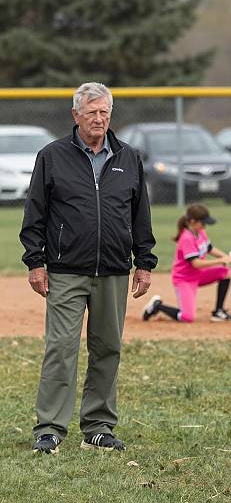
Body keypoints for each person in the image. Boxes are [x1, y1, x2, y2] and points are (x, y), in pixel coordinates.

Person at [20, 82, 158, 454]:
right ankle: (49, 428)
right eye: (92, 112)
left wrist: (144, 262)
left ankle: (98, 426)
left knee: (107, 348)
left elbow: (140, 215)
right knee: (61, 348)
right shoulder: (52, 156)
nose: (99, 119)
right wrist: (36, 261)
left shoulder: (128, 158)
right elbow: (35, 212)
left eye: (104, 113)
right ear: (76, 115)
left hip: (113, 270)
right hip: (66, 270)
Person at [143, 203, 231, 323]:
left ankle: (218, 312)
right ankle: (157, 306)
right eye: (203, 223)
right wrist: (221, 260)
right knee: (187, 317)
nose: (204, 226)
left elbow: (209, 248)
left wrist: (225, 256)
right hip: (184, 279)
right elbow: (195, 263)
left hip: (199, 274)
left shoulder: (200, 232)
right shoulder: (186, 238)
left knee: (226, 273)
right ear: (192, 221)